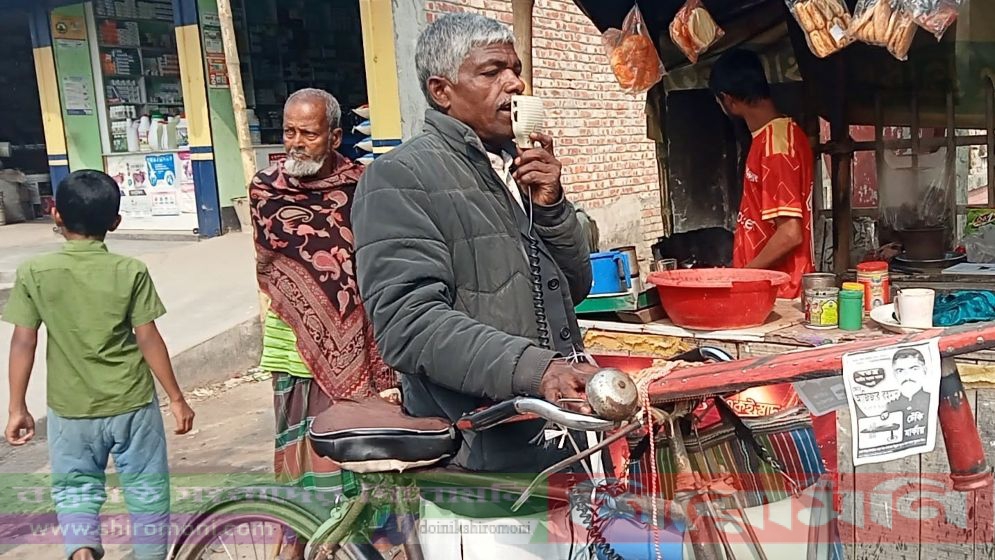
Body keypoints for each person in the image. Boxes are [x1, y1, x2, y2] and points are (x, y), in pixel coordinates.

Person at [352, 13, 595, 560]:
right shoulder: (400, 178)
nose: (514, 84)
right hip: (478, 455)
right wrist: (538, 368)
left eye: (515, 69)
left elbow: (573, 286)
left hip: (555, 445)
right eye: (492, 72)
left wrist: (552, 207)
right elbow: (409, 326)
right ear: (442, 91)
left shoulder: (517, 168)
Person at [3, 170, 195, 560]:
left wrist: (17, 407)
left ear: (55, 214)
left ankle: (82, 551)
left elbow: (24, 340)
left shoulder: (34, 273)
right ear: (115, 222)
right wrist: (176, 397)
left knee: (75, 488)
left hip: (71, 408)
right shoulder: (130, 271)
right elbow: (147, 337)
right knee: (147, 493)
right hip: (132, 404)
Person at [249, 88, 397, 559]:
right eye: (288, 131)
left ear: (334, 135)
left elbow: (380, 260)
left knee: (369, 475)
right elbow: (282, 264)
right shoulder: (265, 189)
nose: (295, 143)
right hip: (293, 352)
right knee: (302, 474)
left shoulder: (366, 185)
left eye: (308, 134)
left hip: (369, 351)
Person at [709, 48, 814, 299]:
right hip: (767, 287)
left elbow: (790, 233)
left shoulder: (775, 146)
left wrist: (742, 277)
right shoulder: (773, 137)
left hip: (779, 292)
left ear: (728, 100)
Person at [887, 348, 933, 439]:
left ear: (924, 370)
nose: (907, 376)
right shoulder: (889, 406)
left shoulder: (933, 399)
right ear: (894, 374)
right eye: (900, 370)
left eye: (914, 369)